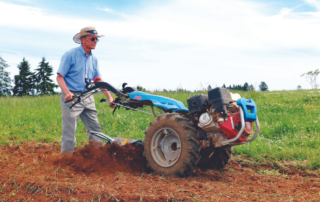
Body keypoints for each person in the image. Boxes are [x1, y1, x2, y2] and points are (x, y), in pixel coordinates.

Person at [57, 26, 115, 155]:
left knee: (95, 128)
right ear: (83, 40)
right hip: (71, 97)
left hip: (87, 96)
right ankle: (66, 160)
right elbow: (59, 77)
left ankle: (96, 157)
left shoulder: (94, 59)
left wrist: (109, 97)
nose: (95, 41)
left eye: (97, 40)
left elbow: (98, 80)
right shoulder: (70, 55)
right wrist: (67, 93)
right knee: (69, 130)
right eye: (93, 39)